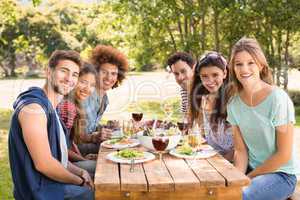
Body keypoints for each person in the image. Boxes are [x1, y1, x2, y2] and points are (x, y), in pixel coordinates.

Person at [9, 50, 94, 200]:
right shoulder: (34, 109)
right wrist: (80, 181)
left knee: (100, 178)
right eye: (64, 71)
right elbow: (45, 164)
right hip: (41, 192)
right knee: (100, 192)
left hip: (51, 184)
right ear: (48, 72)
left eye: (75, 74)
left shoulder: (50, 108)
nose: (69, 79)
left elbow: (58, 158)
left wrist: (81, 172)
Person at [227, 37, 299, 200]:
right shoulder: (233, 104)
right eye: (238, 64)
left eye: (250, 62)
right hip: (252, 172)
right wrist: (236, 180)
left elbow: (284, 155)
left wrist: (248, 178)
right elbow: (241, 150)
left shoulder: (277, 99)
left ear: (261, 65)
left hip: (282, 175)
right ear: (233, 68)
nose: (244, 69)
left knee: (243, 196)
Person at [78, 45, 129, 155]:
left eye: (113, 73)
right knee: (125, 148)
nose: (109, 78)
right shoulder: (85, 96)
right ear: (95, 72)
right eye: (104, 72)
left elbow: (90, 126)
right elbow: (74, 135)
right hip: (77, 150)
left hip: (90, 146)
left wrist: (107, 127)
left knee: (128, 144)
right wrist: (94, 137)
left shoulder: (104, 98)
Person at [188, 51, 233, 160]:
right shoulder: (202, 100)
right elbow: (201, 136)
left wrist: (217, 163)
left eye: (215, 75)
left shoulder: (233, 101)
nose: (210, 81)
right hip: (210, 159)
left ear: (224, 73)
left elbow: (241, 149)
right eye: (205, 76)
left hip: (231, 163)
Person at [57, 62, 98, 179]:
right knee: (105, 168)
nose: (87, 89)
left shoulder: (75, 103)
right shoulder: (67, 107)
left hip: (68, 160)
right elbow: (62, 149)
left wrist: (83, 158)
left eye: (92, 85)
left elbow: (70, 142)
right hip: (63, 165)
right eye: (83, 82)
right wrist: (82, 159)